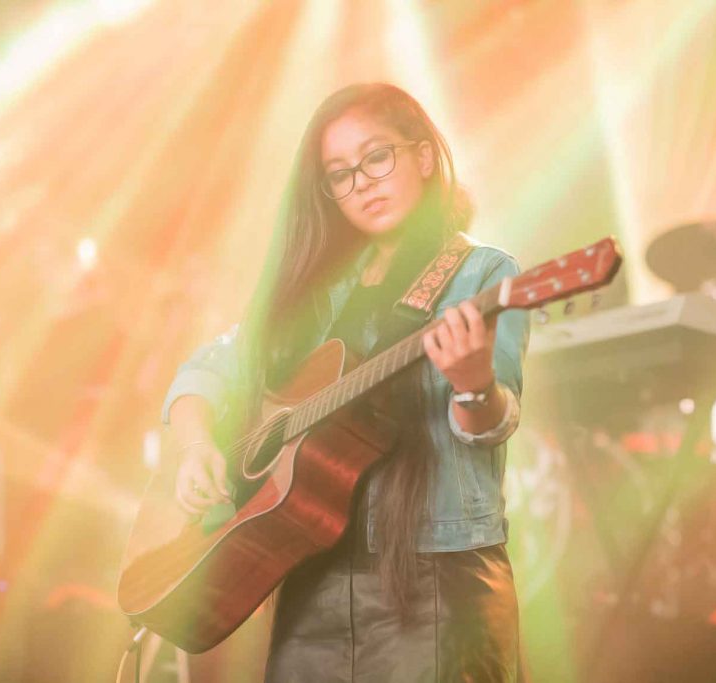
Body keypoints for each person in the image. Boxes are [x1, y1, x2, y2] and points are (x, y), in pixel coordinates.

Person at [160, 83, 529, 681]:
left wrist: (473, 386)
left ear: (423, 156)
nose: (361, 183)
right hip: (312, 578)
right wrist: (198, 447)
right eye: (340, 173)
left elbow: (492, 424)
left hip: (434, 582)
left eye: (376, 157)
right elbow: (206, 368)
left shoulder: (483, 273)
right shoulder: (320, 292)